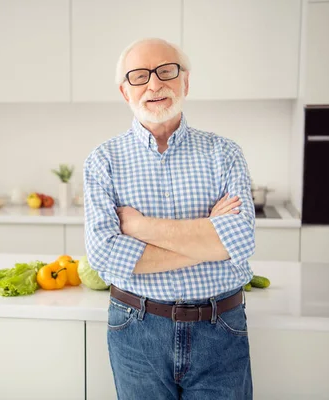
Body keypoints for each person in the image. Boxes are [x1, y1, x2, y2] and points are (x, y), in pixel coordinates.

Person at [83, 38, 256, 400]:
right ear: (124, 91)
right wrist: (211, 240)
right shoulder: (103, 161)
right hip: (136, 330)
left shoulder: (224, 153)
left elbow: (239, 239)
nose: (154, 84)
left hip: (220, 329)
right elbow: (105, 256)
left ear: (185, 82)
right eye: (139, 76)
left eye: (166, 71)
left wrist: (140, 226)